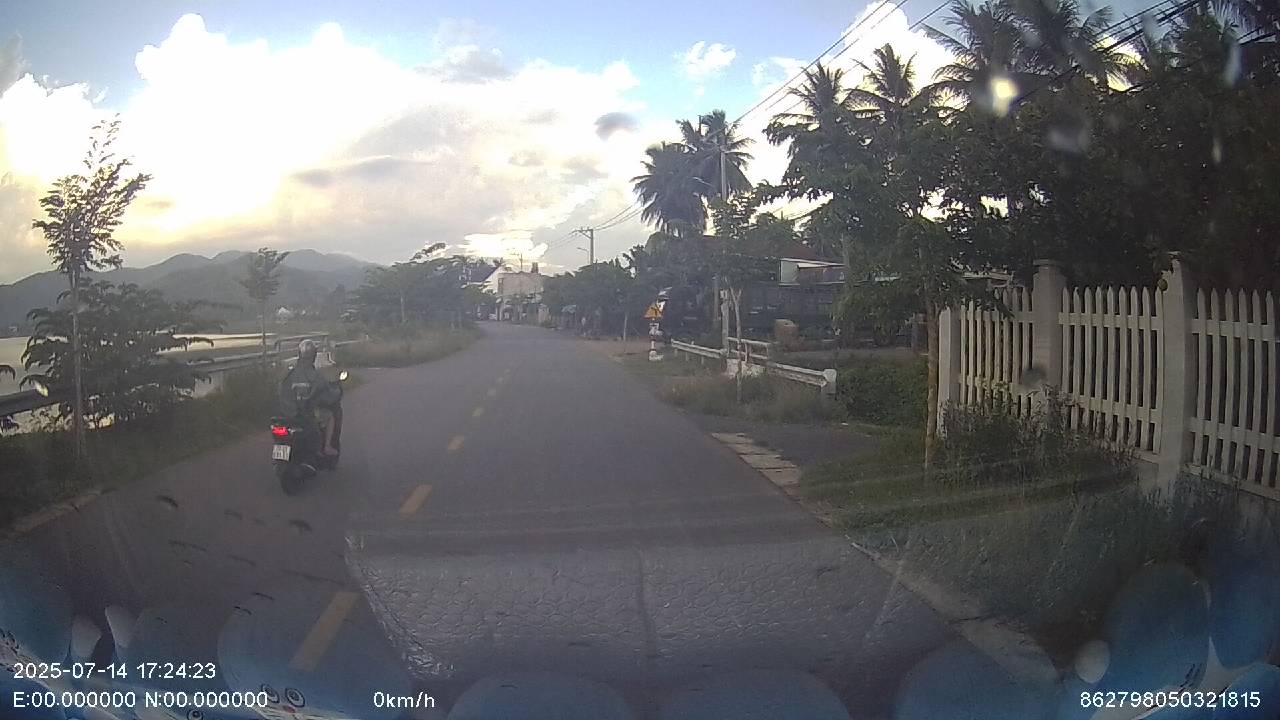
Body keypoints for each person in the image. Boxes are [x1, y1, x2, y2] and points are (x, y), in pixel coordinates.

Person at [279, 339, 342, 456]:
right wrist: (337, 392)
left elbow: (281, 391)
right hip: (308, 413)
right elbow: (328, 395)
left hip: (288, 413)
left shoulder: (289, 375)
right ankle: (327, 447)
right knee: (330, 417)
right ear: (314, 356)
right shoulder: (315, 376)